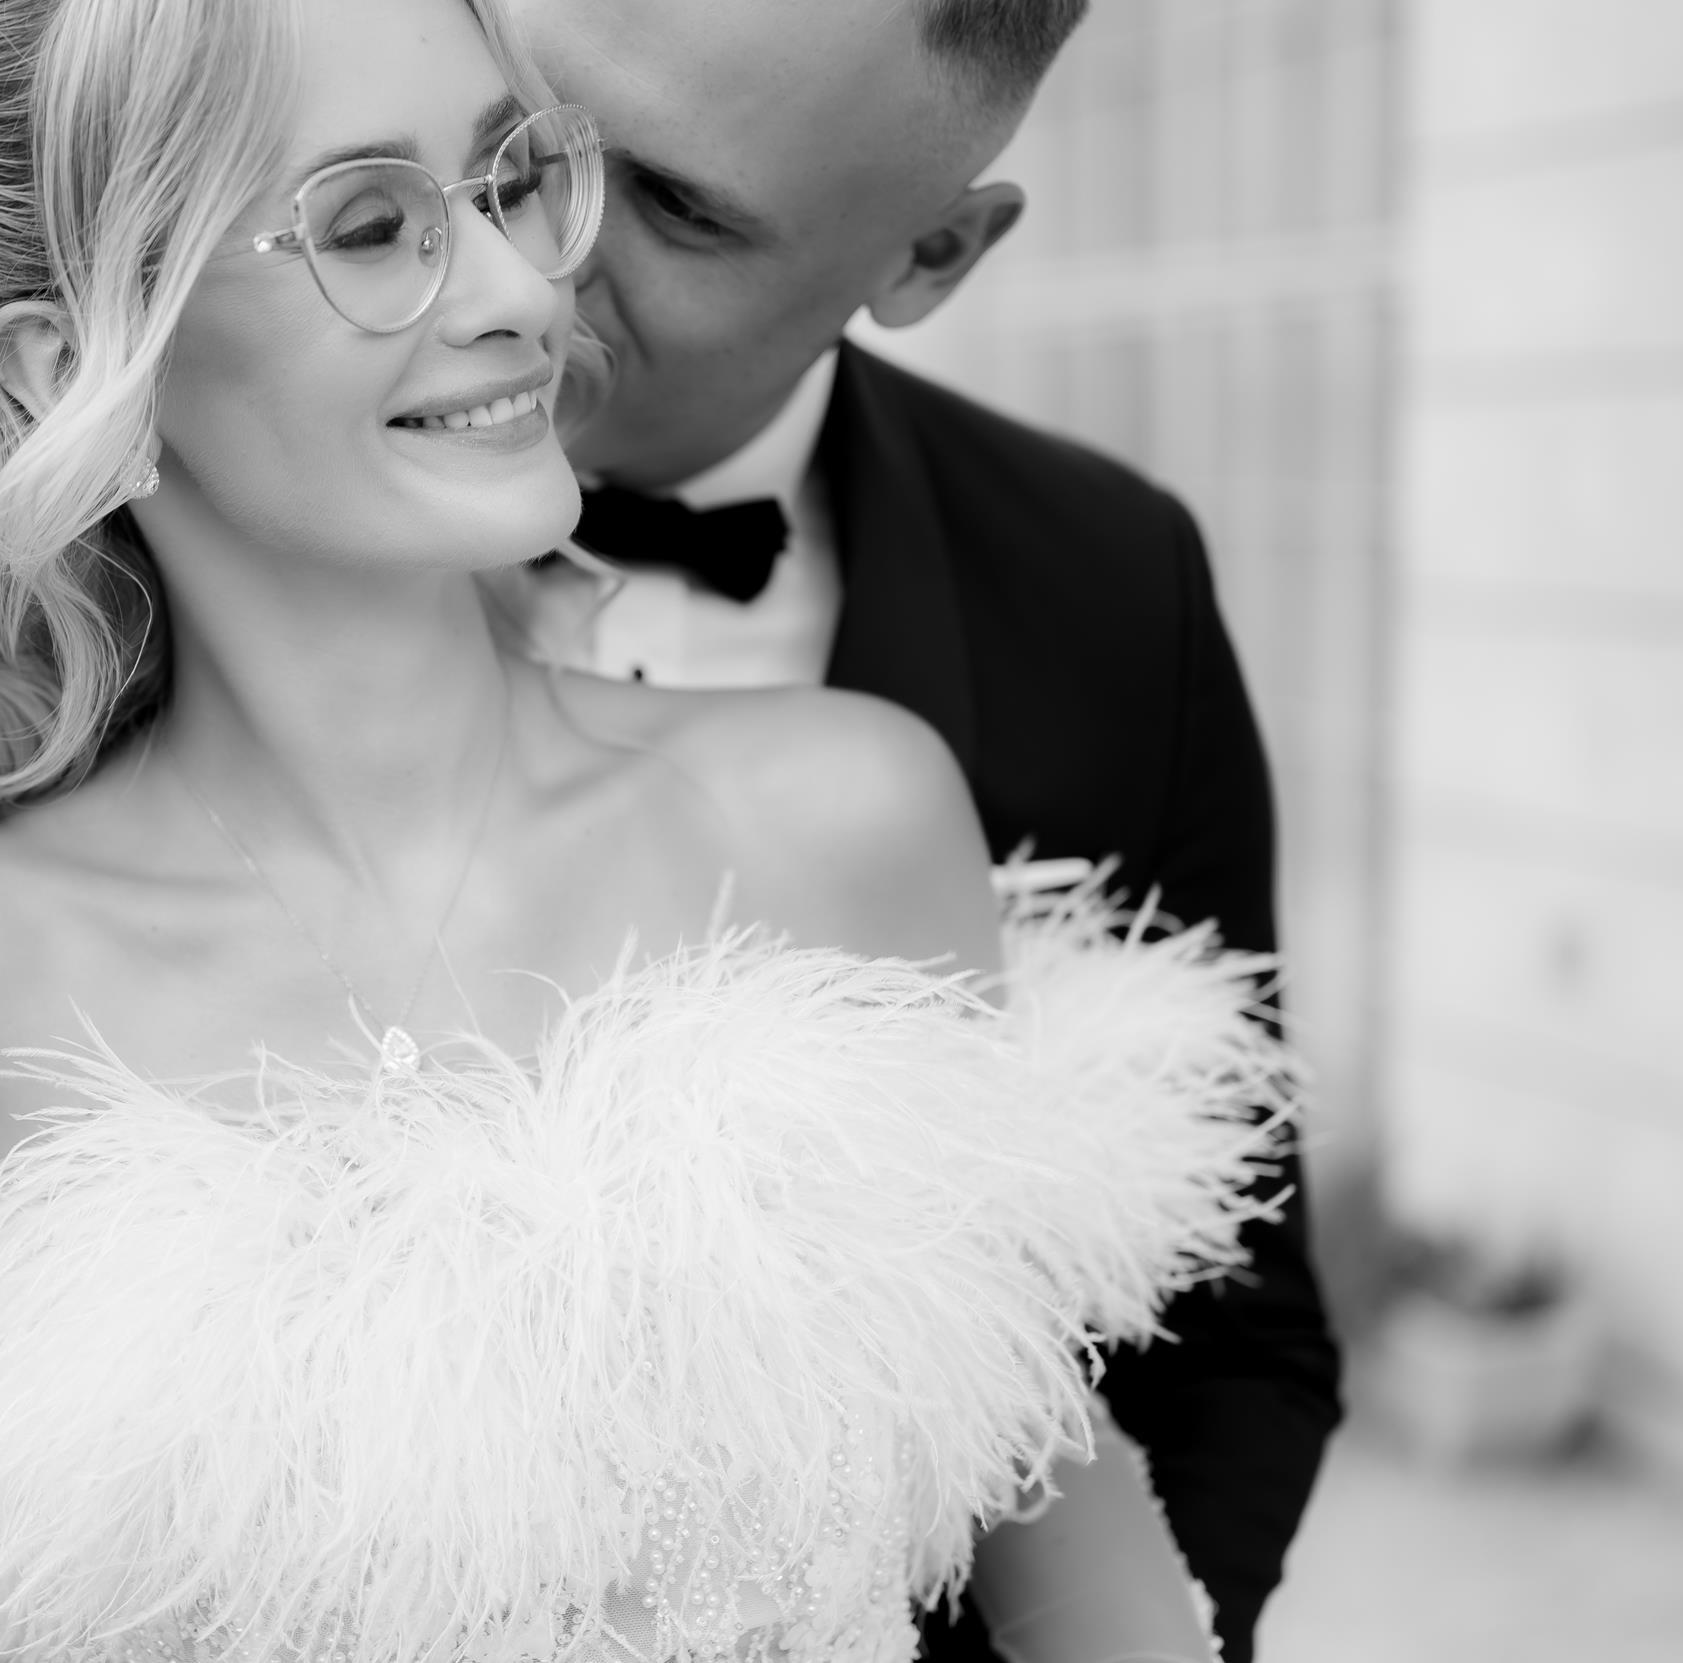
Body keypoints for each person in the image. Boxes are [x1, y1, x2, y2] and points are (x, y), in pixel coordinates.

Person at [0, 1, 1293, 1660]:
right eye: (373, 226)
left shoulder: (851, 817)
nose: (523, 290)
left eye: (509, 182)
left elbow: (1062, 1522)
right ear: (66, 369)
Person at [503, 3, 1344, 1660]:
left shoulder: (1111, 588)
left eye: (675, 208)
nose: (534, 251)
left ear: (934, 253)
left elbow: (1236, 1332)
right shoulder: (196, 512)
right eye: (524, 133)